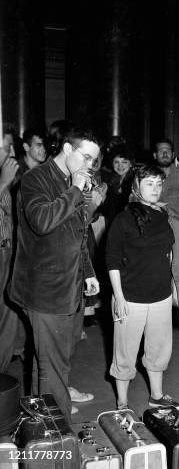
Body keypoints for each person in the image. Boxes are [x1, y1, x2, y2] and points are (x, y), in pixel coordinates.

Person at [10, 126, 101, 420]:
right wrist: (76, 189)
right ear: (66, 149)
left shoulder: (70, 179)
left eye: (94, 161)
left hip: (68, 284)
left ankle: (42, 426)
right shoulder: (34, 179)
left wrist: (87, 271)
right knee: (55, 367)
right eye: (86, 157)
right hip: (44, 290)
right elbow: (43, 220)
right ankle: (58, 435)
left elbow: (78, 232)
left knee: (46, 361)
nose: (90, 166)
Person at [106, 164, 179, 410]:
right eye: (149, 183)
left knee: (159, 350)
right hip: (131, 297)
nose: (155, 189)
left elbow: (167, 255)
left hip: (160, 296)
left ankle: (157, 396)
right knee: (125, 352)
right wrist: (119, 297)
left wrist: (173, 288)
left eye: (159, 184)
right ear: (136, 186)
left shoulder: (161, 216)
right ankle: (123, 403)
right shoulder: (123, 219)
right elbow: (112, 260)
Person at [153, 138, 179, 332]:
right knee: (160, 271)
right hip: (157, 233)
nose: (164, 153)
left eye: (168, 151)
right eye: (161, 151)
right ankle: (160, 316)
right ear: (155, 155)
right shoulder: (150, 177)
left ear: (173, 155)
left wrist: (178, 225)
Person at [0, 125, 20, 374]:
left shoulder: (9, 176)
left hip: (7, 251)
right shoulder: (4, 177)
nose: (12, 151)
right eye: (7, 147)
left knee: (8, 316)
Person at [103, 144, 135, 226]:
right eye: (116, 162)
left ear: (131, 164)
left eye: (124, 162)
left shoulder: (135, 182)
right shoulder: (111, 181)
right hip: (113, 225)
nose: (120, 166)